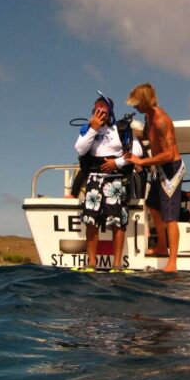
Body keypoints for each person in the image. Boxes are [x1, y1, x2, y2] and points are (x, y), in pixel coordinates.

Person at [73, 93, 143, 272]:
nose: (99, 114)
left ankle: (117, 264)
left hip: (116, 180)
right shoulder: (88, 129)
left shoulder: (121, 130)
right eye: (96, 111)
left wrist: (116, 163)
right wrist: (93, 129)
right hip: (94, 178)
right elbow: (80, 149)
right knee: (90, 220)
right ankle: (91, 263)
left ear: (110, 113)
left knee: (117, 221)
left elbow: (137, 152)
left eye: (103, 111)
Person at [124, 83, 184, 273]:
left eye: (136, 104)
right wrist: (129, 133)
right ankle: (161, 245)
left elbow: (168, 153)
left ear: (145, 102)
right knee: (153, 205)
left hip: (171, 169)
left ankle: (172, 262)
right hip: (159, 168)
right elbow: (150, 138)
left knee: (170, 217)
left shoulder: (161, 120)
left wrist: (142, 161)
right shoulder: (148, 117)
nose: (134, 108)